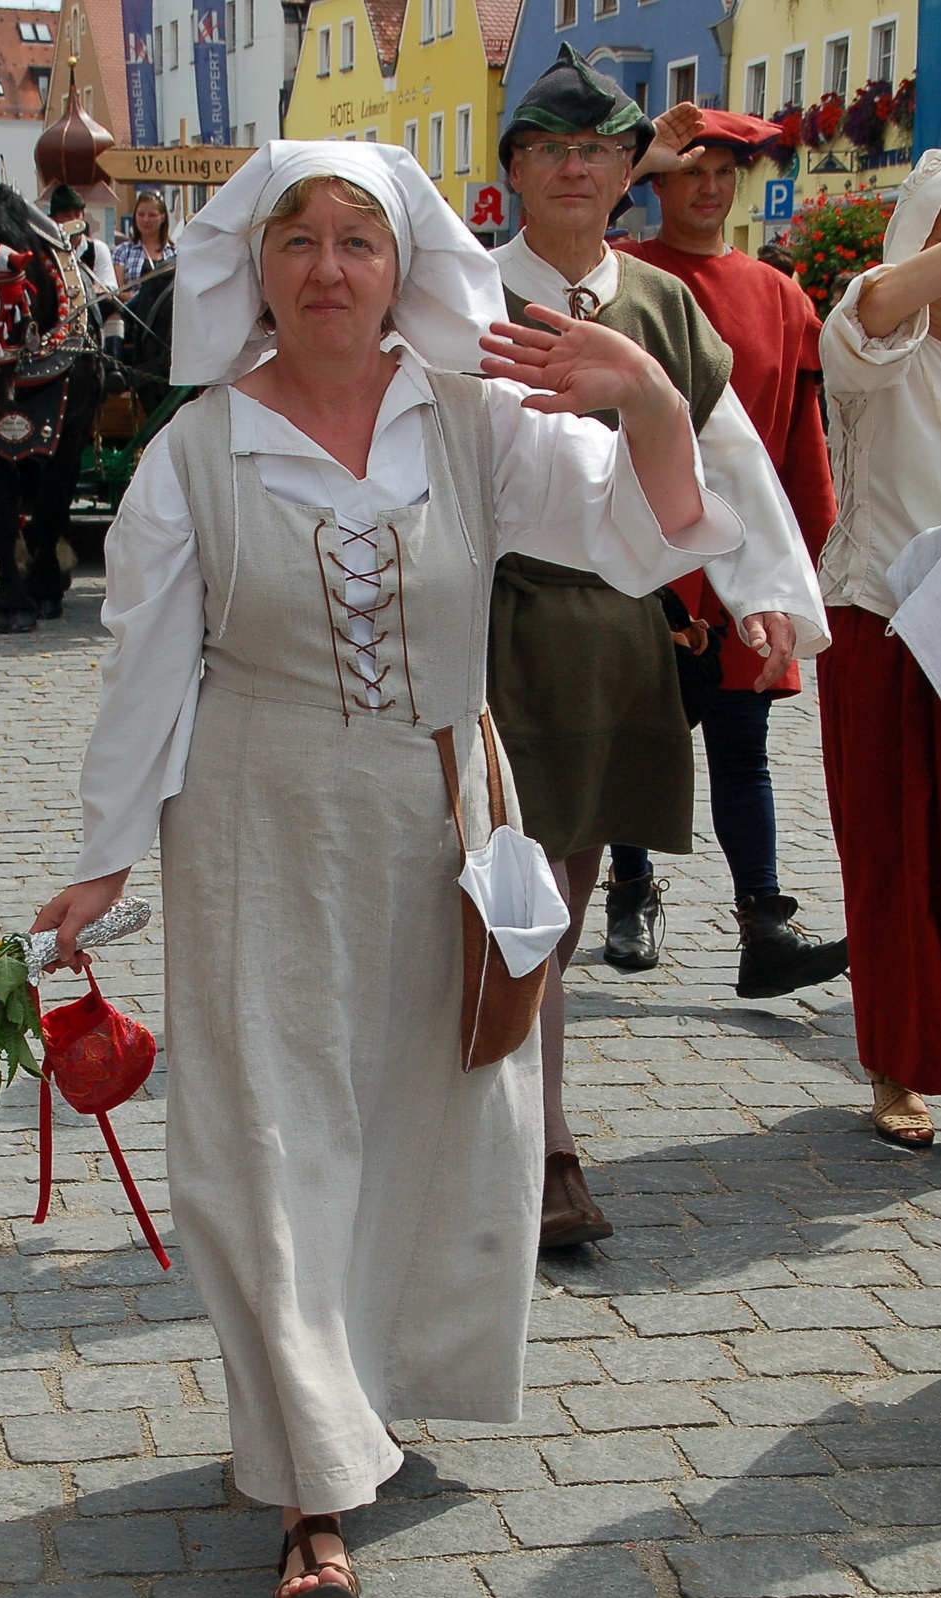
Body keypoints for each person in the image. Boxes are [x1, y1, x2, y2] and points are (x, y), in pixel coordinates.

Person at [31, 139, 740, 1598]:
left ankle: (370, 1385)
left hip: (440, 815)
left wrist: (653, 398)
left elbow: (640, 533)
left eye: (362, 236)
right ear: (253, 270)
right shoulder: (195, 452)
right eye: (300, 240)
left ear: (407, 261)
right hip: (252, 819)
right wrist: (100, 862)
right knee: (263, 1146)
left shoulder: (473, 420)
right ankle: (308, 1487)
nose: (332, 267)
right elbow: (147, 665)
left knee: (427, 1114)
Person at [488, 47, 830, 1247]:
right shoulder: (465, 297)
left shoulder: (660, 304)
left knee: (564, 907)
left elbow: (728, 454)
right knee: (505, 908)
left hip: (616, 637)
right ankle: (538, 1151)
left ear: (628, 170)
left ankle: (524, 1130)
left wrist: (761, 591)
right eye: (551, 150)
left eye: (598, 151)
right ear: (516, 170)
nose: (575, 168)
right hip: (492, 631)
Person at [604, 111, 847, 998]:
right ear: (659, 181)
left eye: (723, 174)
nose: (707, 189)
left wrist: (806, 563)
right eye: (688, 171)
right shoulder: (622, 275)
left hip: (742, 551)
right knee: (633, 741)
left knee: (742, 748)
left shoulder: (781, 297)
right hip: (646, 551)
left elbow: (795, 448)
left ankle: (762, 927)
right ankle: (627, 889)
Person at [817, 149, 941, 1148]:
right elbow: (872, 316)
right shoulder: (871, 336)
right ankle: (894, 1063)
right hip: (884, 626)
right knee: (892, 848)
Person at [49, 184, 116, 292]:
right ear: (53, 219)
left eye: (77, 215)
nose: (74, 220)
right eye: (67, 215)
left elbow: (109, 289)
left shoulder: (98, 249)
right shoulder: (47, 251)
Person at [112, 190, 176, 292]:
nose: (146, 220)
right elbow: (117, 292)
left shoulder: (175, 253)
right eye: (141, 214)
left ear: (163, 217)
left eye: (152, 215)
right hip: (132, 307)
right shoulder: (123, 251)